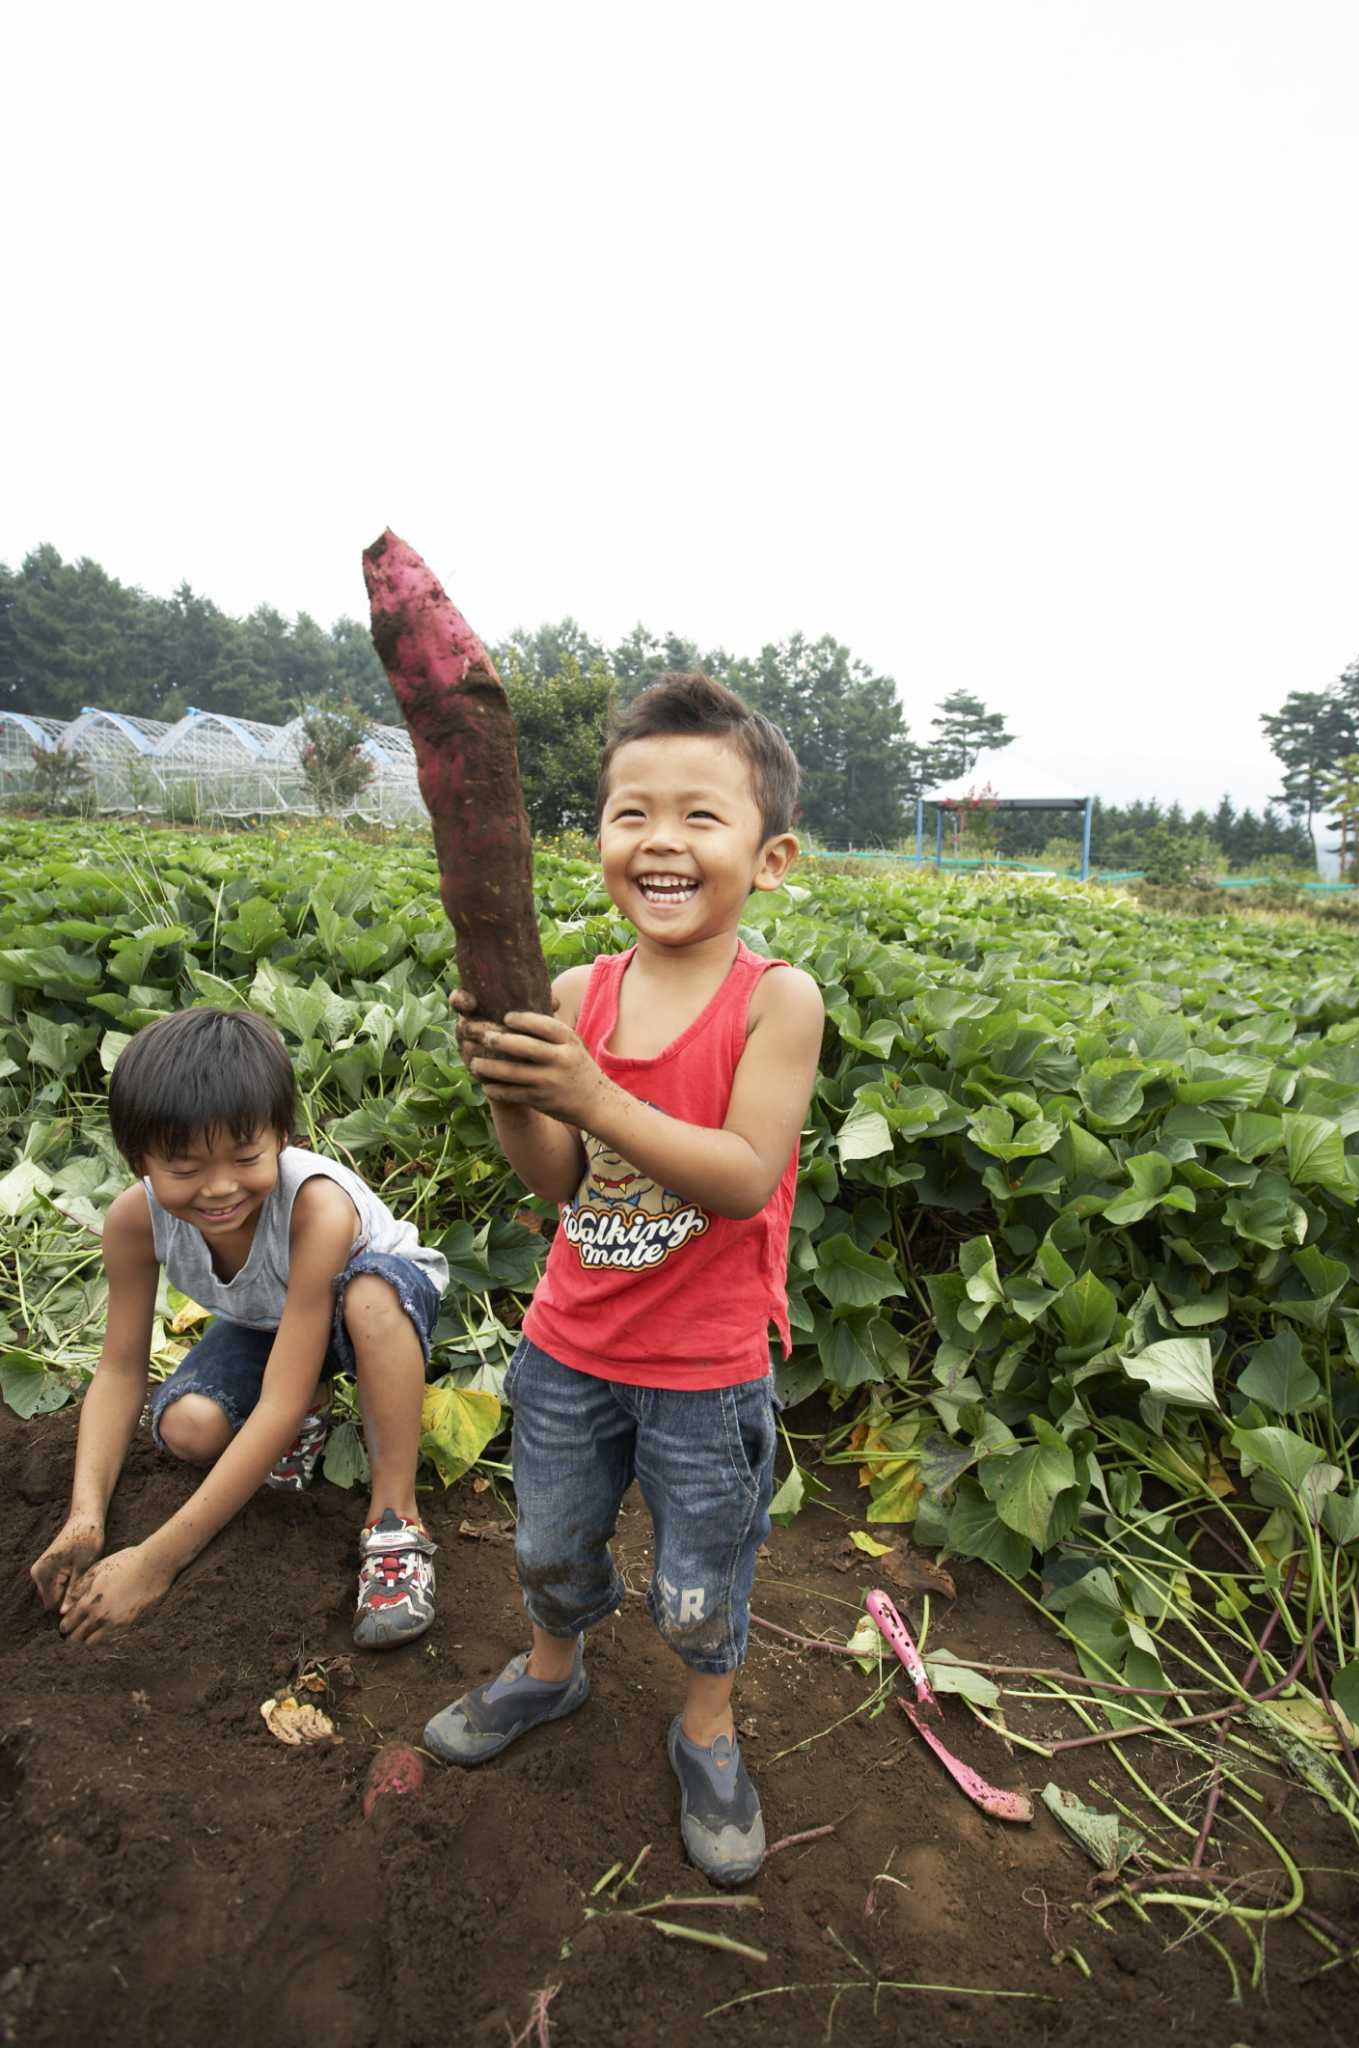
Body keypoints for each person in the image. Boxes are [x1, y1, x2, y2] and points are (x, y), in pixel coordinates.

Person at [424, 672, 824, 1886]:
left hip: (706, 1369)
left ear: (772, 857)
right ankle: (553, 1669)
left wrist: (592, 1091)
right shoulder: (573, 994)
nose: (661, 840)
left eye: (702, 815)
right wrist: (514, 1091)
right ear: (596, 834)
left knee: (702, 1578)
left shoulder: (777, 1002)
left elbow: (744, 1176)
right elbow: (560, 1176)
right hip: (569, 1344)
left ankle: (706, 1723)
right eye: (631, 812)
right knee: (550, 1542)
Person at [29, 1007, 449, 1650]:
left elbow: (276, 1399)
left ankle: (396, 1520)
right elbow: (117, 1370)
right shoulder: (134, 1223)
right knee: (187, 1428)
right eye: (184, 1168)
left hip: (378, 1312)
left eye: (246, 1156)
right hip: (268, 1322)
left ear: (281, 1137)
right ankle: (315, 1412)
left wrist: (156, 1561)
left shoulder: (317, 1207)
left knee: (369, 1299)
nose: (219, 1188)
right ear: (138, 1160)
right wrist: (84, 1516)